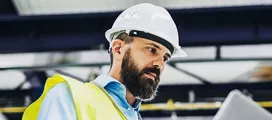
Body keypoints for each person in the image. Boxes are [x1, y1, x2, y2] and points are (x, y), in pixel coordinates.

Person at [22, 3, 187, 120]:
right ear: (117, 48)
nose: (160, 64)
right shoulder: (69, 96)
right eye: (152, 50)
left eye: (165, 57)